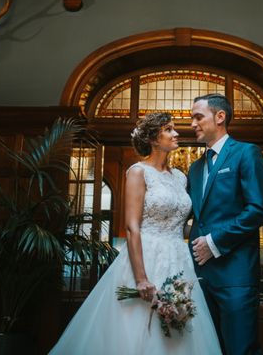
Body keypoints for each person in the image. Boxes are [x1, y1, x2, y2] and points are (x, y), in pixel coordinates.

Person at [49, 112, 222, 355]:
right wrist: (141, 278)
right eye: (169, 129)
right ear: (153, 139)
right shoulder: (138, 172)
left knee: (180, 327)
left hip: (179, 258)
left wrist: (212, 234)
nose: (176, 133)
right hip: (146, 256)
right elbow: (132, 227)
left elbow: (178, 223)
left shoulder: (180, 178)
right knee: (137, 326)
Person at [188, 94, 263, 355]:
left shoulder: (246, 153)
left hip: (236, 275)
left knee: (240, 349)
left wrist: (214, 242)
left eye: (198, 116)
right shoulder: (194, 167)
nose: (192, 123)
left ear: (220, 117)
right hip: (200, 277)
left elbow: (258, 209)